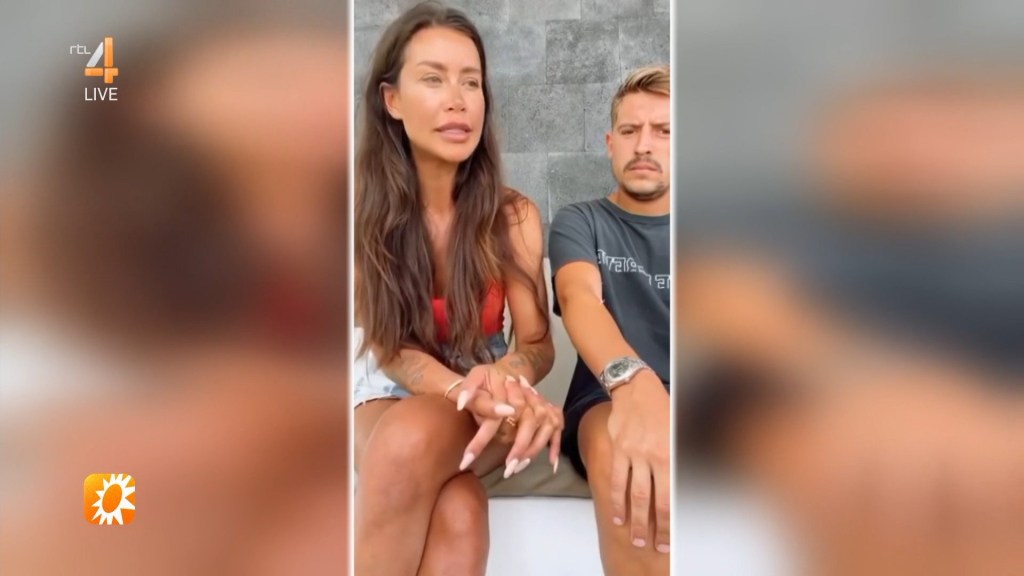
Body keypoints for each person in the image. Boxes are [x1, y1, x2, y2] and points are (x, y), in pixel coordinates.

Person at [352, 3, 563, 575]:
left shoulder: (513, 215)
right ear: (392, 100)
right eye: (433, 79)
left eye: (471, 82)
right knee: (453, 502)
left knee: (429, 465)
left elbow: (537, 345)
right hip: (390, 384)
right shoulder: (359, 213)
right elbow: (391, 349)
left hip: (486, 382)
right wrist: (463, 389)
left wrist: (502, 376)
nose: (458, 99)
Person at [548, 65, 672, 575]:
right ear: (610, 143)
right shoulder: (580, 221)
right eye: (630, 130)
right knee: (620, 450)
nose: (644, 145)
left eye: (664, 131)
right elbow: (579, 298)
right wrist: (634, 382)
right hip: (607, 395)